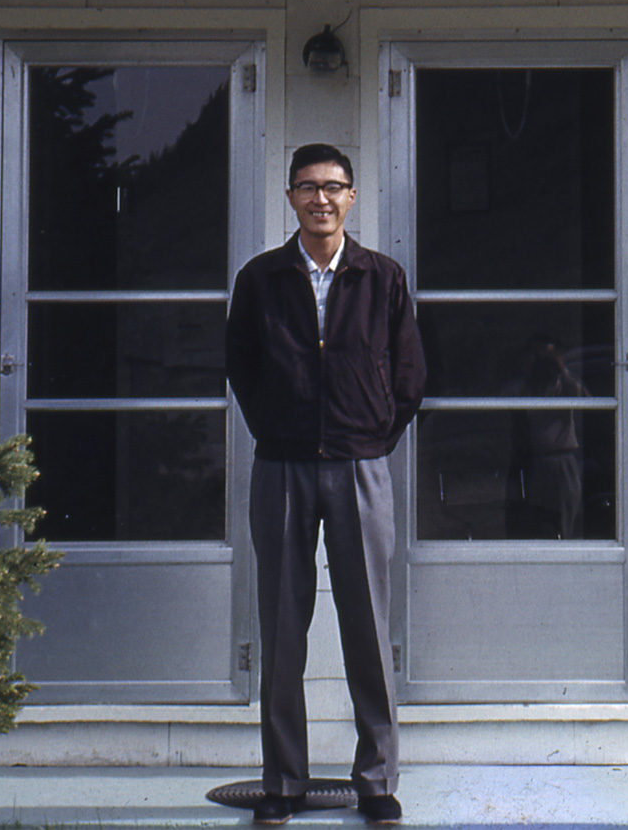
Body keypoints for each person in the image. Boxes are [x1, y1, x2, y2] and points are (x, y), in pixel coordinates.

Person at [225, 143, 426, 827]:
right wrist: (275, 430)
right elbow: (242, 366)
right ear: (290, 198)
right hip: (281, 469)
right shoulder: (260, 279)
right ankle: (283, 779)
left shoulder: (382, 277)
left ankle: (376, 780)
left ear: (351, 197)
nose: (321, 199)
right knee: (282, 628)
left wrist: (371, 437)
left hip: (360, 467)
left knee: (367, 624)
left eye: (333, 187)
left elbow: (408, 375)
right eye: (308, 188)